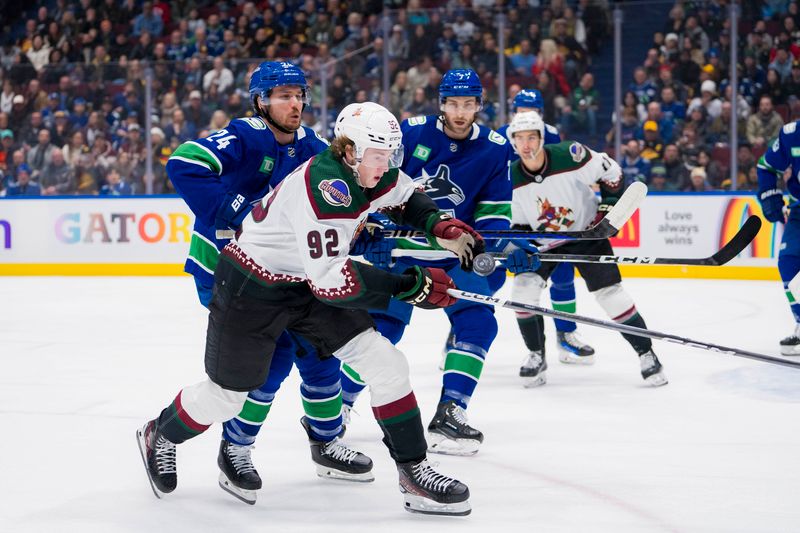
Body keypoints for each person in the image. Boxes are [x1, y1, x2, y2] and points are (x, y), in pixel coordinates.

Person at [137, 100, 479, 516]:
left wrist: (439, 226)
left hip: (305, 281)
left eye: (391, 154)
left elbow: (407, 195)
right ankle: (161, 433)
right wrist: (409, 287)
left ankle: (414, 471)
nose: (386, 165)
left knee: (387, 364)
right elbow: (334, 281)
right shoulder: (327, 189)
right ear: (350, 151)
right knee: (228, 398)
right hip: (252, 288)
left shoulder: (371, 167)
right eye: (378, 155)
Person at [160, 62, 372, 505]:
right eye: (283, 95)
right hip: (229, 273)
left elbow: (337, 198)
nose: (295, 103)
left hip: (285, 274)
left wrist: (361, 222)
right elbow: (184, 163)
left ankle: (326, 442)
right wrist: (242, 210)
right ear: (261, 101)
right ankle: (232, 448)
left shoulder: (313, 145)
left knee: (321, 352)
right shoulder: (245, 136)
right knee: (266, 363)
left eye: (299, 95)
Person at [339, 69, 515, 457]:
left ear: (479, 107)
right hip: (402, 253)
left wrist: (491, 243)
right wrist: (378, 229)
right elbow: (378, 183)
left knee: (479, 321)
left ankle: (451, 411)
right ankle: (339, 405)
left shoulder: (495, 146)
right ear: (441, 104)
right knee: (382, 330)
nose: (460, 112)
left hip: (454, 252)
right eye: (453, 103)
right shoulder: (412, 133)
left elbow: (495, 208)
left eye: (468, 105)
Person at [504, 111, 668, 388]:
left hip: (588, 233)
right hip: (544, 241)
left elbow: (612, 173)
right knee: (522, 291)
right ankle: (536, 355)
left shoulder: (571, 154)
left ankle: (647, 355)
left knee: (610, 295)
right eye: (520, 139)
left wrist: (606, 209)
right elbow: (519, 222)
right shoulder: (510, 177)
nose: (527, 145)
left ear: (542, 138)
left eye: (532, 137)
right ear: (513, 143)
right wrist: (518, 248)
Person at [497, 88, 596, 362]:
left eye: (533, 111)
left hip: (546, 215)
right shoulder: (501, 135)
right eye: (521, 110)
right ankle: (460, 331)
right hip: (516, 215)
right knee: (490, 276)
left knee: (563, 273)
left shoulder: (550, 133)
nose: (527, 116)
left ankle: (566, 335)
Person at [757, 120, 800, 355]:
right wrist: (770, 194)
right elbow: (766, 166)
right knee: (789, 260)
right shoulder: (792, 134)